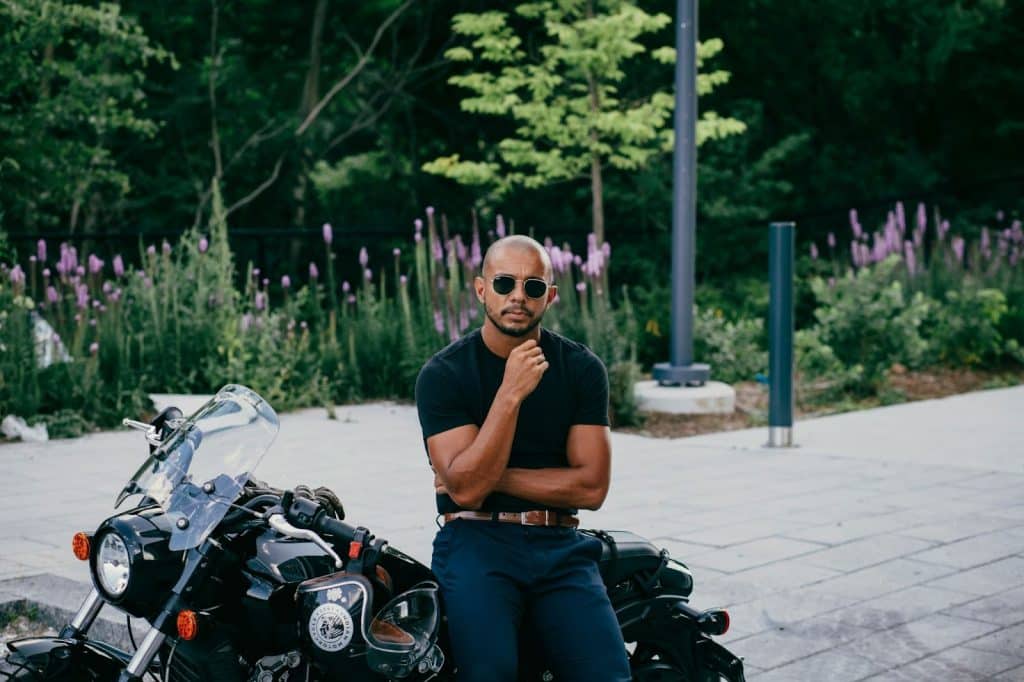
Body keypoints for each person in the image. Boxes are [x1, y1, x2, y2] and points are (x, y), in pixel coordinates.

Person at [414, 235, 632, 681]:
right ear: (480, 290)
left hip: (560, 545)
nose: (518, 296)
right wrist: (510, 392)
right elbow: (468, 492)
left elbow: (591, 488)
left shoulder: (581, 368)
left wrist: (484, 477)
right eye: (504, 283)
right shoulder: (444, 374)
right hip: (477, 544)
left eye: (533, 287)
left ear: (550, 296)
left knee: (608, 675)